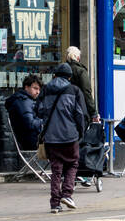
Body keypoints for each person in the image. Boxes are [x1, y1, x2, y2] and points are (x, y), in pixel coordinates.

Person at [37, 63, 89, 212]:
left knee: (56, 170)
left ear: (54, 76)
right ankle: (67, 194)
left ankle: (55, 204)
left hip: (51, 137)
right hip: (69, 135)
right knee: (73, 164)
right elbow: (80, 114)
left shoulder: (46, 89)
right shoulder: (73, 90)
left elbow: (38, 110)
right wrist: (80, 132)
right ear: (69, 77)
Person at [5, 74, 43, 151]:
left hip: (29, 139)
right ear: (26, 87)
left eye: (39, 89)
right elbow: (30, 124)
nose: (38, 92)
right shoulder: (23, 101)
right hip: (31, 141)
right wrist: (44, 122)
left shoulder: (25, 100)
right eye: (35, 88)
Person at [64, 46, 99, 123]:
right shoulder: (81, 71)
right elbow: (87, 92)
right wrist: (93, 113)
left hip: (63, 108)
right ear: (78, 57)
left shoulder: (61, 70)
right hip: (79, 108)